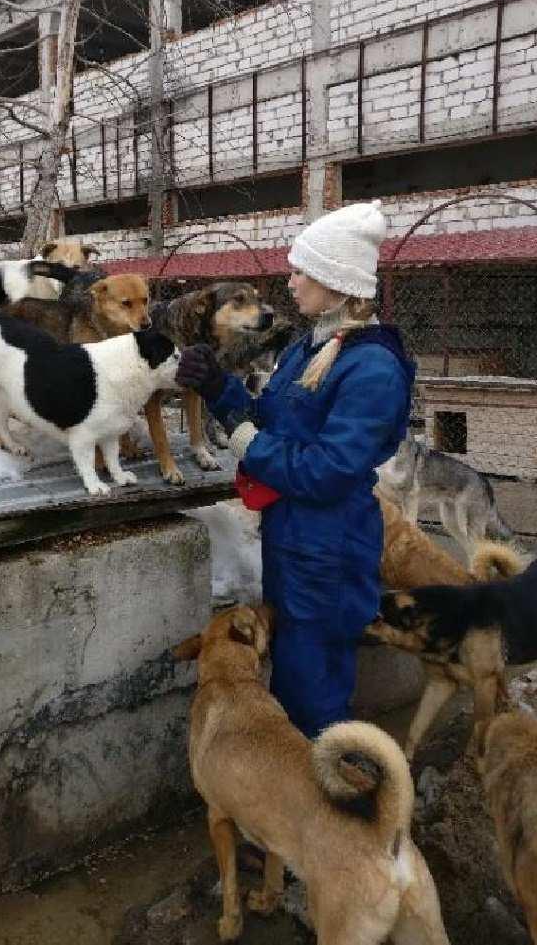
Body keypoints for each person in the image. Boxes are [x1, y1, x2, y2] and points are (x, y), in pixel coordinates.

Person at [176, 200, 415, 738]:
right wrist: (220, 389)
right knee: (295, 680)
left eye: (302, 270)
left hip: (327, 548)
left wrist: (242, 439)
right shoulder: (315, 347)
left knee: (313, 697)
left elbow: (325, 470)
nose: (291, 280)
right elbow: (279, 424)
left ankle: (335, 805)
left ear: (335, 280)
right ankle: (307, 798)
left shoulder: (371, 367)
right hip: (296, 540)